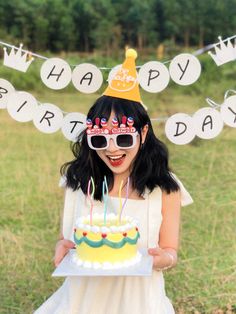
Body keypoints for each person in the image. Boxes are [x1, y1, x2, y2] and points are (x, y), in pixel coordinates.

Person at [34, 49, 193, 314]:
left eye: (123, 138)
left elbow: (170, 250)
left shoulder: (164, 187)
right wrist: (62, 246)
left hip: (139, 302)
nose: (112, 150)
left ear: (143, 133)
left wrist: (163, 258)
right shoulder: (78, 180)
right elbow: (68, 240)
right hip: (83, 301)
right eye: (99, 140)